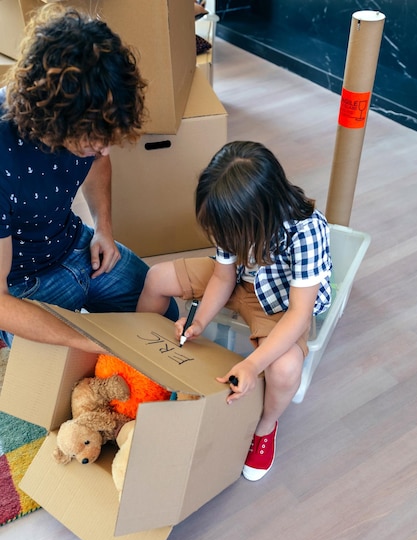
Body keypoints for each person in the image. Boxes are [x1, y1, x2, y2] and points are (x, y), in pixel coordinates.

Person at [136, 140, 332, 481]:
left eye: (227, 233)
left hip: (281, 303)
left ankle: (265, 429)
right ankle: (143, 356)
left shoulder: (308, 231)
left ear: (258, 215)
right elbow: (223, 277)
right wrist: (197, 321)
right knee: (156, 277)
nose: (221, 238)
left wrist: (253, 364)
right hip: (238, 282)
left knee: (285, 370)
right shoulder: (234, 215)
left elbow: (299, 314)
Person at [0, 4, 178, 353]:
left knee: (164, 314)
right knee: (54, 377)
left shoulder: (88, 134)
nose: (105, 148)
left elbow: (97, 162)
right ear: (51, 117)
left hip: (74, 245)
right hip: (22, 284)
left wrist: (104, 228)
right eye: (92, 139)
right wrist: (88, 340)